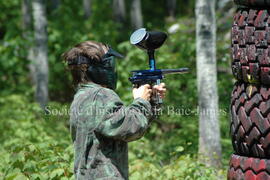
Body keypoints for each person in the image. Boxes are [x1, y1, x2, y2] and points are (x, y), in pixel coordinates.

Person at [63, 41, 166, 180]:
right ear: (91, 68)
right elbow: (131, 128)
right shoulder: (100, 95)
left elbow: (120, 124)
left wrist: (150, 101)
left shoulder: (83, 96)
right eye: (108, 64)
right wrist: (141, 100)